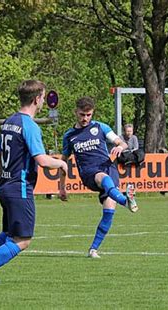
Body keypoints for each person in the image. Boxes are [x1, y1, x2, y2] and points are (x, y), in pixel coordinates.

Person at [0, 80, 68, 286]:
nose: (43, 101)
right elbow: (42, 160)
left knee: (8, 233)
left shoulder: (9, 121)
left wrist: (5, 177)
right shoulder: (29, 125)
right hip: (20, 188)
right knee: (23, 240)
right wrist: (61, 163)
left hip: (6, 185)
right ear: (36, 99)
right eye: (42, 97)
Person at [59, 96, 138, 259]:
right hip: (89, 173)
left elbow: (121, 143)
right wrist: (61, 187)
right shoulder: (69, 136)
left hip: (109, 168)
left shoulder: (101, 127)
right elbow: (63, 162)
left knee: (109, 212)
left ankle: (93, 249)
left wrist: (119, 148)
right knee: (102, 177)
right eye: (82, 115)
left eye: (88, 115)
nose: (85, 118)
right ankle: (125, 200)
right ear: (76, 112)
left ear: (92, 113)